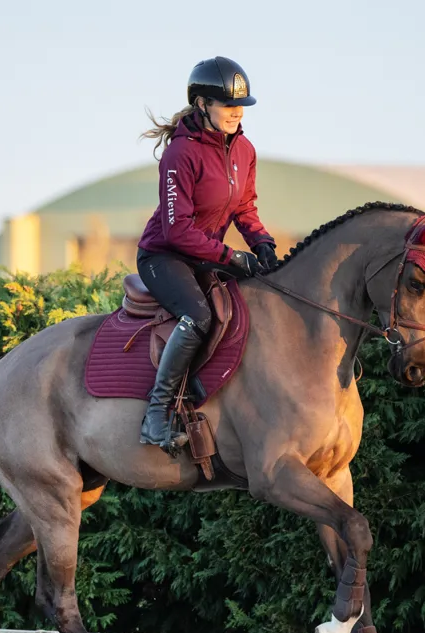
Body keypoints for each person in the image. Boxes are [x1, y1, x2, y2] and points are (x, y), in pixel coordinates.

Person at [137, 56, 278, 450]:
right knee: (198, 315)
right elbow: (177, 230)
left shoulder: (245, 149)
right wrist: (232, 257)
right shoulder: (180, 154)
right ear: (202, 105)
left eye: (241, 106)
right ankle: (156, 415)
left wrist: (261, 243)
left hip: (207, 254)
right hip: (164, 256)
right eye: (227, 105)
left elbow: (245, 207)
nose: (236, 113)